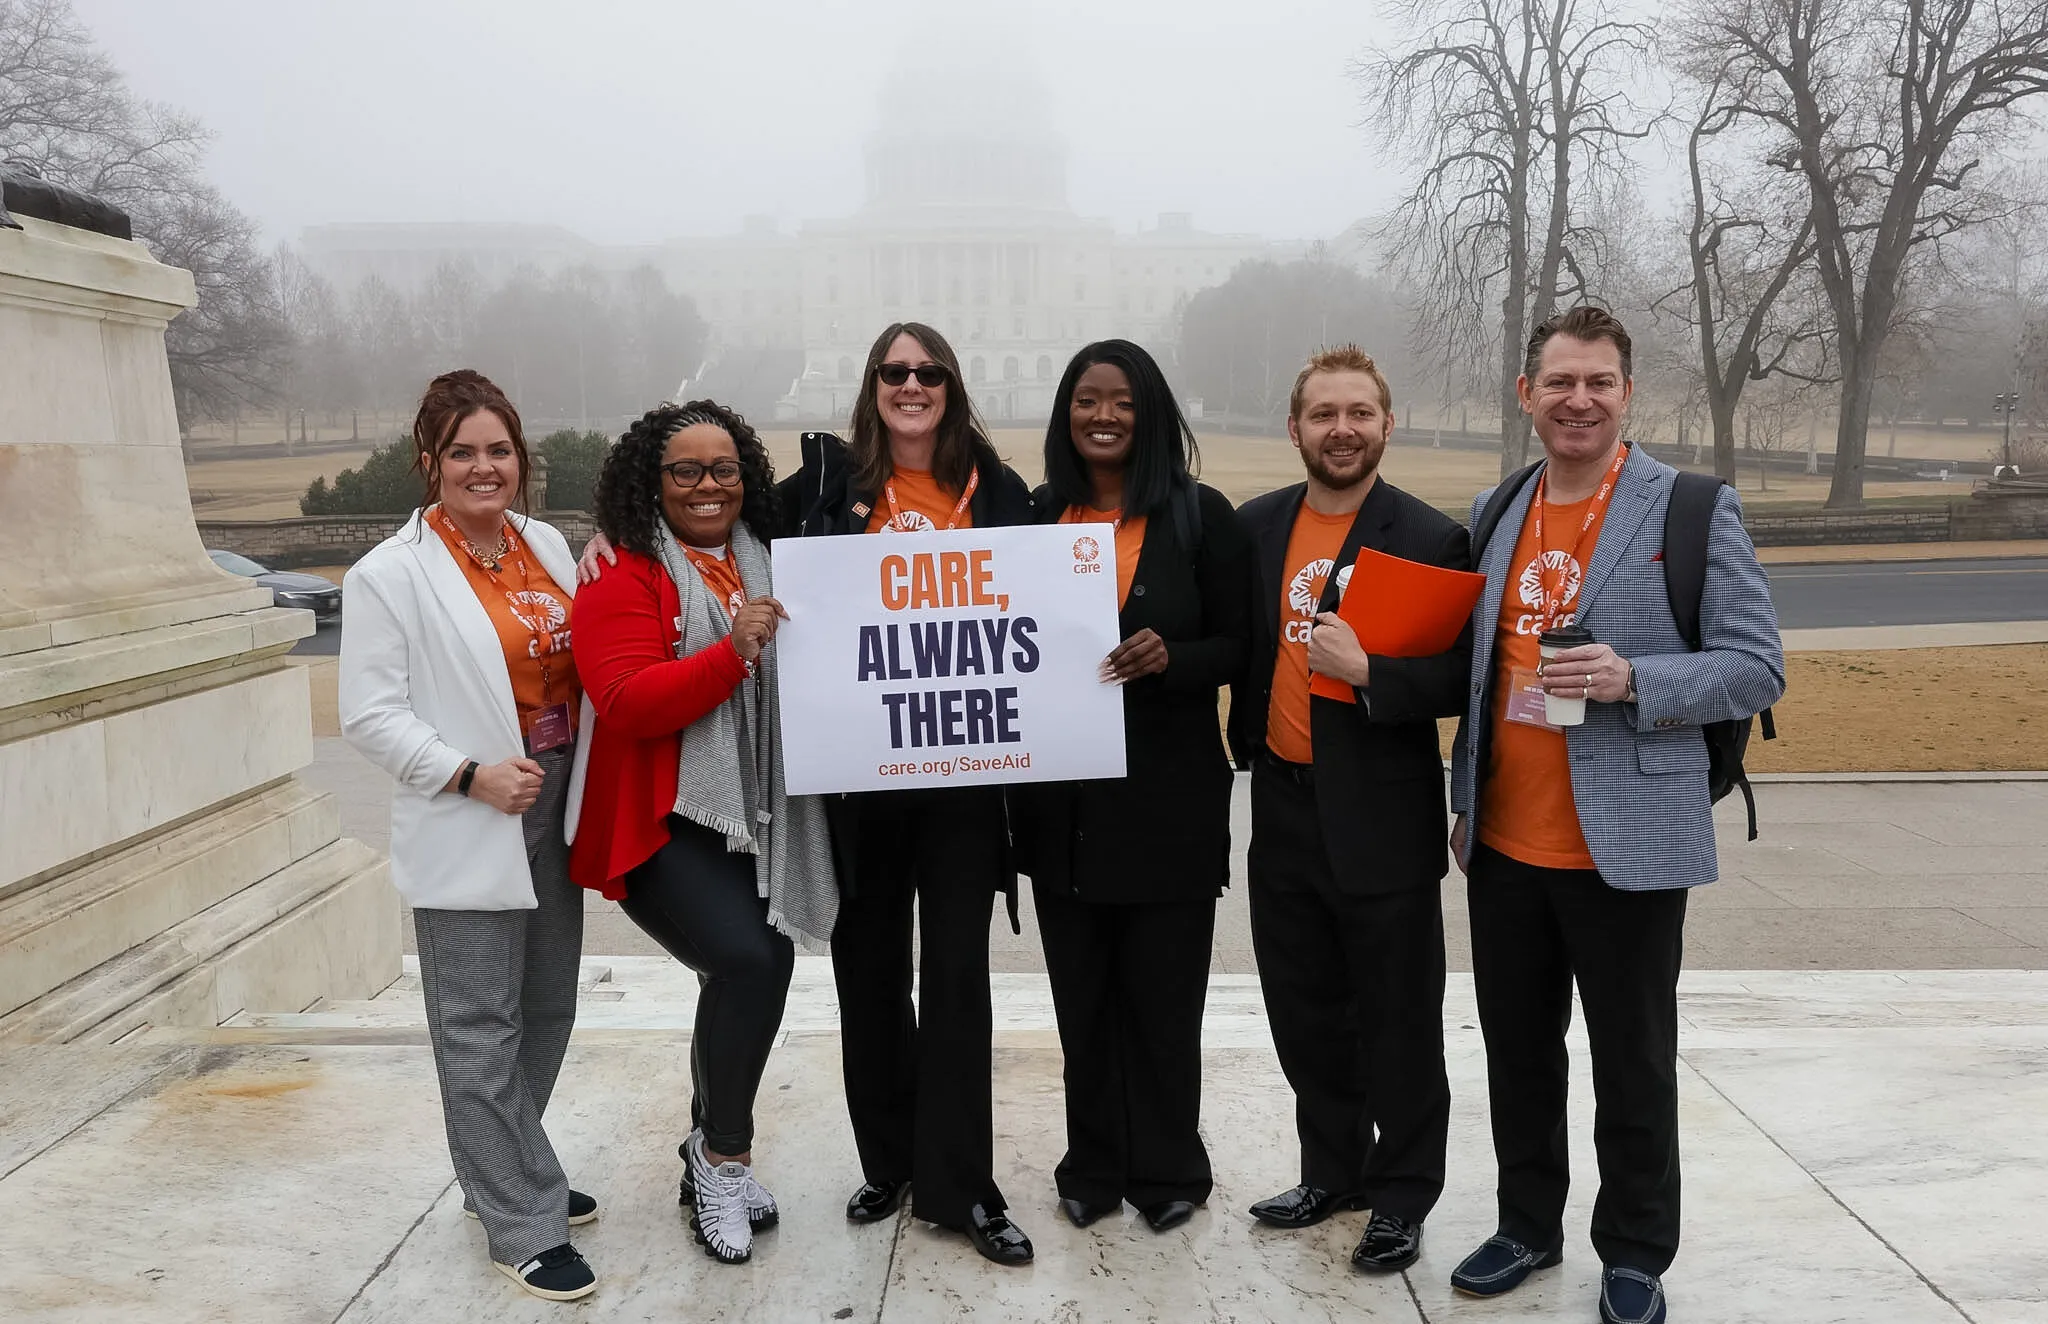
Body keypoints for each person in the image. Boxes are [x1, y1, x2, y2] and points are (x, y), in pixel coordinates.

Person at [1446, 307, 1784, 1324]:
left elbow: (1755, 664)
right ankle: (1525, 1224)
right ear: (1526, 395)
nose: (1577, 399)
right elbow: (1475, 675)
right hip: (1502, 841)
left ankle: (1633, 1248)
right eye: (1558, 382)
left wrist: (1634, 675)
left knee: (1629, 1059)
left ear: (1624, 393)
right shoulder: (1495, 504)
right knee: (1517, 1050)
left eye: (1597, 381)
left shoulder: (1688, 508)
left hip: (1626, 843)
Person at [779, 321, 1039, 1266]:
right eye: (895, 371)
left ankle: (962, 1184)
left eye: (929, 372)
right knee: (870, 975)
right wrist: (620, 532)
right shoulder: (822, 486)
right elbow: (712, 521)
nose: (912, 384)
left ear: (952, 386)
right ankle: (888, 1159)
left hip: (967, 781)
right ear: (873, 386)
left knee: (959, 980)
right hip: (861, 779)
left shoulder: (1000, 491)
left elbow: (1041, 608)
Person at [340, 370, 597, 1304]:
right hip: (473, 804)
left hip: (554, 797)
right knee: (477, 1025)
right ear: (429, 463)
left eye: (499, 450)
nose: (484, 468)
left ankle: (509, 1163)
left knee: (548, 1005)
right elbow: (368, 715)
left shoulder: (546, 546)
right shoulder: (390, 574)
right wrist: (466, 773)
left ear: (520, 460)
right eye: (463, 452)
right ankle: (519, 1218)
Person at [568, 400, 837, 1266]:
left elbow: (844, 481)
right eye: (684, 470)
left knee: (747, 968)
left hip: (750, 810)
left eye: (724, 468)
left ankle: (706, 1147)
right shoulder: (624, 571)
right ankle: (723, 1159)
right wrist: (735, 653)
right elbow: (626, 701)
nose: (708, 485)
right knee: (752, 960)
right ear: (654, 480)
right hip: (658, 817)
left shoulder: (766, 553)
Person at [1227, 346, 1470, 1273]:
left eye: (1358, 413)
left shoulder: (1428, 536)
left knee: (1399, 1015)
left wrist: (1375, 676)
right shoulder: (1255, 528)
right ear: (1294, 428)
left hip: (1382, 813)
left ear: (1386, 424)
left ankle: (1402, 1195)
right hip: (1282, 804)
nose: (1342, 429)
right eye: (1323, 413)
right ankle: (1332, 1170)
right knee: (1305, 1008)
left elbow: (1461, 674)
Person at [1008, 340, 1249, 1235]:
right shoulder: (1034, 518)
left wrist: (1173, 658)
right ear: (1065, 413)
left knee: (1163, 998)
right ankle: (1093, 1163)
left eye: (1122, 401)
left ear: (1150, 414)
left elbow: (1240, 643)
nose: (1102, 415)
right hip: (1064, 807)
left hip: (1171, 799)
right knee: (1084, 999)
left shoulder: (1200, 516)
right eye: (1085, 400)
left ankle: (1171, 1166)